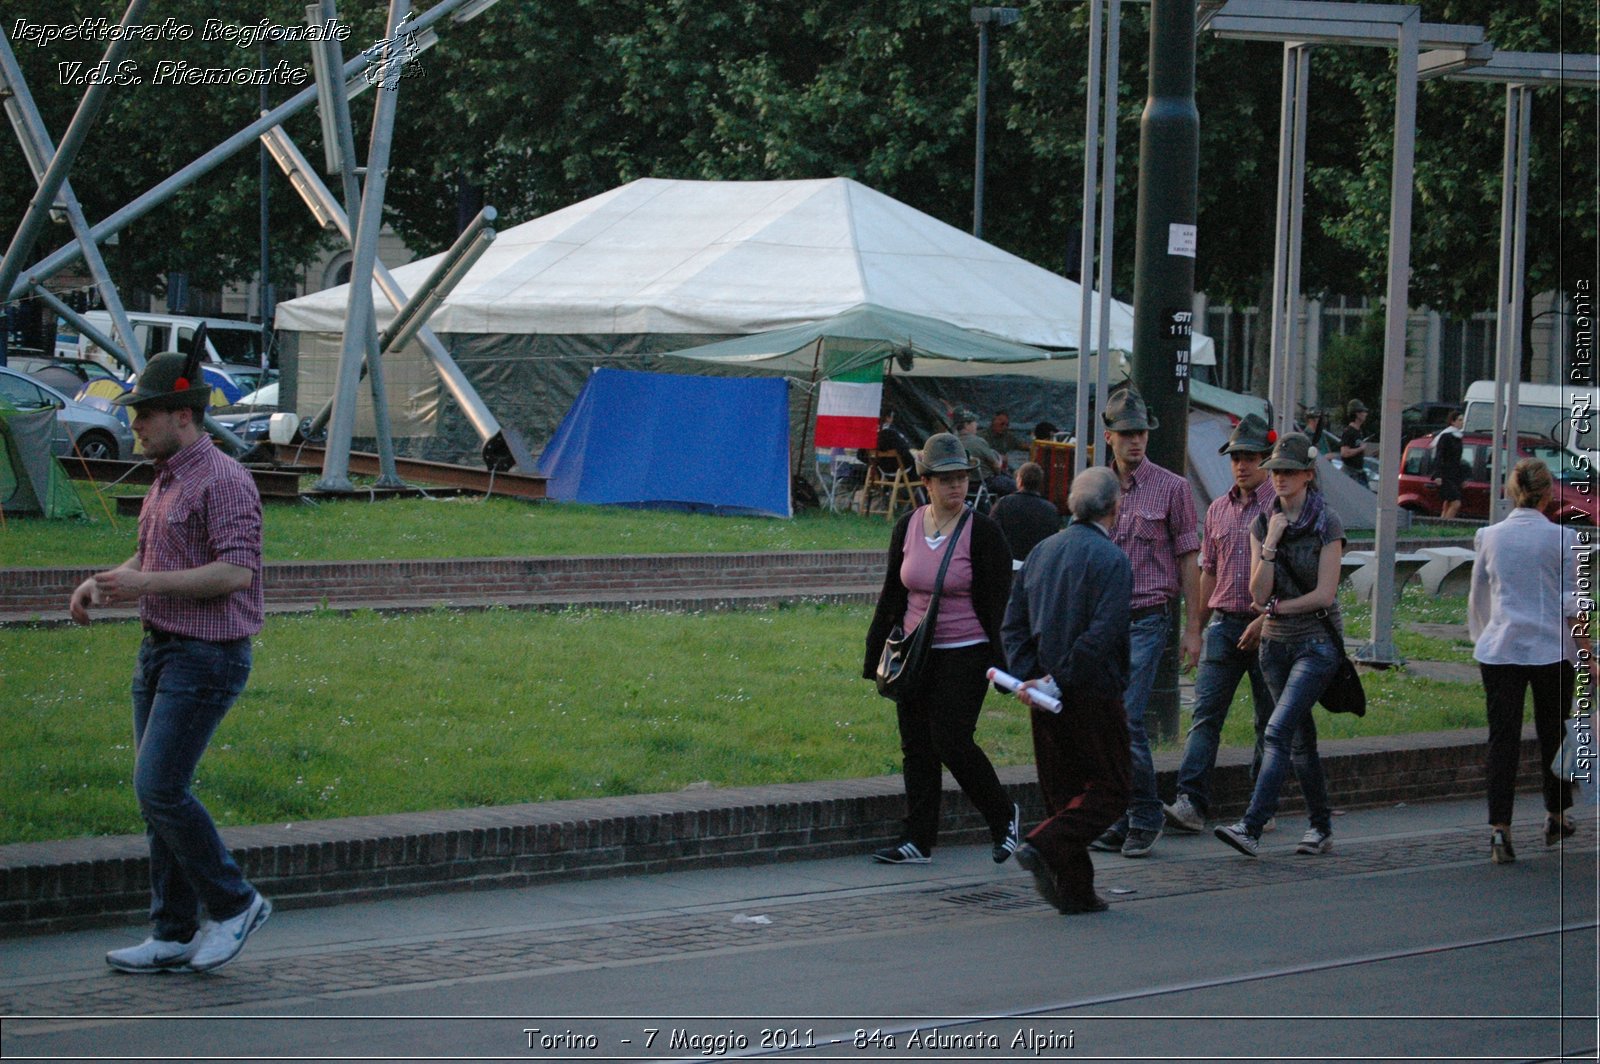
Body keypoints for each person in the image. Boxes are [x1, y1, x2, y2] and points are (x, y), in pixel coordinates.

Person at [68, 350, 272, 973]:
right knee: (158, 796)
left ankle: (236, 904)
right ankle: (173, 931)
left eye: (144, 415)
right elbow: (148, 559)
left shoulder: (225, 479)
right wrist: (106, 581)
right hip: (160, 651)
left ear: (182, 416)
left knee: (158, 786)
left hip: (207, 656)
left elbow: (237, 572)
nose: (134, 426)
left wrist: (147, 584)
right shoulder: (166, 478)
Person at [862, 432, 1022, 866]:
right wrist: (875, 651)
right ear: (926, 482)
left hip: (966, 650)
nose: (957, 487)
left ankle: (1004, 816)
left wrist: (1004, 662)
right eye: (946, 479)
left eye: (962, 478)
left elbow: (1000, 602)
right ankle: (917, 839)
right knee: (916, 745)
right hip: (915, 652)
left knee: (951, 740)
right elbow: (892, 593)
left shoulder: (983, 532)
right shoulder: (908, 526)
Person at [1002, 466, 1132, 914]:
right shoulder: (1112, 560)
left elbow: (1013, 623)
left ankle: (1075, 891)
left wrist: (1029, 677)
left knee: (1064, 791)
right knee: (1112, 788)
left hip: (1042, 694)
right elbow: (1104, 633)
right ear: (1115, 506)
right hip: (1092, 691)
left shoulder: (1042, 552)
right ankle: (1042, 844)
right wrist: (1058, 678)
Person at [1214, 432, 1339, 859]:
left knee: (1277, 729)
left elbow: (1325, 594)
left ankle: (1251, 825)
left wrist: (1278, 608)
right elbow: (1256, 593)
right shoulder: (1264, 522)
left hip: (1316, 645)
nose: (1280, 478)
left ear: (1307, 474)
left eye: (1288, 471)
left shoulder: (1328, 523)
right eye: (1276, 471)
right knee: (1300, 742)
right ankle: (1320, 827)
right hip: (1275, 647)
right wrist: (1270, 545)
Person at [1090, 386, 1201, 859]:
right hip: (1103, 620)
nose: (1137, 441)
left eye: (1142, 433)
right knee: (1106, 718)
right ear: (1109, 436)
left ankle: (1145, 814)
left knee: (1126, 717)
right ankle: (1120, 815)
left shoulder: (1173, 488)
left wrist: (1195, 627)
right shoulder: (1096, 488)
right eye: (1128, 433)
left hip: (1149, 617)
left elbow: (1190, 559)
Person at [1163, 414, 1278, 833]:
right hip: (1225, 626)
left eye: (1250, 457)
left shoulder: (1280, 508)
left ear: (1267, 460)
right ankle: (1190, 801)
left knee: (1269, 720)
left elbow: (1294, 575)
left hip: (1270, 628)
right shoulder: (1218, 509)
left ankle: (1259, 807)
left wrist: (1268, 618)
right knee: (1206, 716)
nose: (1241, 465)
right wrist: (1194, 627)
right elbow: (1208, 571)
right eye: (1235, 458)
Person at [1468, 458, 1587, 864]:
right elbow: (1573, 603)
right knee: (1553, 734)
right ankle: (1557, 814)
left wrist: (1486, 632)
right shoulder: (1566, 539)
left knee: (1502, 740)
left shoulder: (1488, 536)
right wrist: (1586, 651)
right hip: (1552, 650)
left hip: (1501, 647)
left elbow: (1479, 597)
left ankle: (1499, 829)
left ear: (1511, 489)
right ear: (1549, 492)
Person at [989, 461, 1062, 565]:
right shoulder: (1051, 509)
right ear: (1040, 483)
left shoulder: (1004, 503)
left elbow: (991, 532)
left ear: (1019, 480)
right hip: (1037, 564)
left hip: (1008, 562)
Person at [954, 409, 1016, 499]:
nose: (977, 425)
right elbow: (996, 466)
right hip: (982, 484)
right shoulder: (978, 442)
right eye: (974, 423)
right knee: (1013, 485)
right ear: (967, 425)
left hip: (960, 484)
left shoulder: (951, 442)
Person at [1432, 410, 1467, 520]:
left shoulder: (1458, 437)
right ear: (1452, 422)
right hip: (1445, 474)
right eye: (1460, 420)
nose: (1462, 422)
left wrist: (1462, 478)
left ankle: (1441, 524)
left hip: (1454, 475)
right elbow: (1439, 456)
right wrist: (1437, 475)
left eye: (1463, 420)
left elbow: (1458, 459)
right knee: (1456, 503)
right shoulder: (1446, 436)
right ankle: (1447, 524)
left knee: (1448, 502)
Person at [1339, 399, 1377, 486]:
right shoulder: (1348, 431)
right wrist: (1360, 449)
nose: (1365, 414)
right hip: (1350, 474)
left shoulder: (1359, 431)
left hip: (1359, 472)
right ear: (1357, 414)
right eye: (1363, 411)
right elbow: (1344, 453)